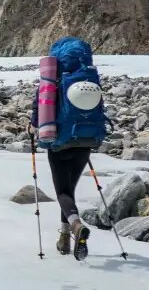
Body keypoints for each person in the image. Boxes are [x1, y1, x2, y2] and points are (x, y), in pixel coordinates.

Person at [31, 37, 107, 261]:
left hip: (60, 142)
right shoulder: (89, 79)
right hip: (86, 140)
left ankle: (75, 225)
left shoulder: (51, 81)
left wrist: (33, 125)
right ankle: (65, 239)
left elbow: (39, 108)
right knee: (70, 190)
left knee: (63, 192)